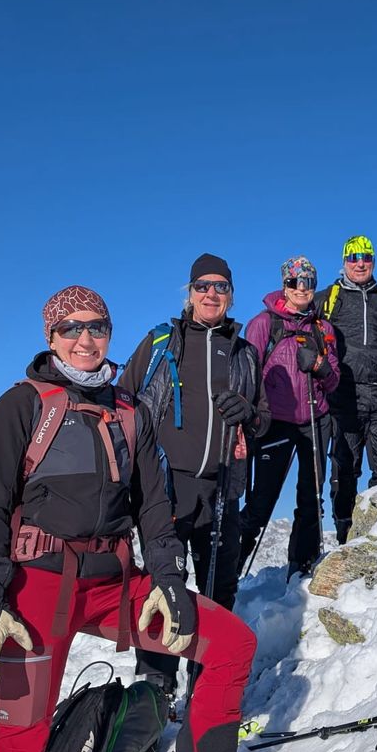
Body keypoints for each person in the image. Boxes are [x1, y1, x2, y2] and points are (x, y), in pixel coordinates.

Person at [0, 285, 273, 752]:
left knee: (230, 643)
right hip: (36, 588)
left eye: (97, 326)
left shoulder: (130, 411)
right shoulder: (22, 405)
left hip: (115, 581)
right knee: (20, 733)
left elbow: (154, 504)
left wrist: (169, 579)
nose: (85, 339)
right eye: (71, 328)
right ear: (50, 337)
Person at [118, 253, 269, 699]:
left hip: (223, 487)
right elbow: (124, 403)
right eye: (203, 286)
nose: (211, 294)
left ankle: (206, 687)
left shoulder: (244, 353)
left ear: (231, 296)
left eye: (221, 287)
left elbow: (263, 419)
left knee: (219, 590)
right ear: (190, 293)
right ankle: (155, 689)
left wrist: (249, 415)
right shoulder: (162, 342)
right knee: (163, 586)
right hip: (167, 487)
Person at [237, 256, 340, 579]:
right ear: (285, 285)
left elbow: (334, 380)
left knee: (311, 499)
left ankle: (301, 568)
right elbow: (247, 372)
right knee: (261, 502)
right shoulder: (264, 324)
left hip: (315, 418)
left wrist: (319, 367)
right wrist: (250, 418)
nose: (301, 288)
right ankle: (231, 570)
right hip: (275, 421)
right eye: (295, 282)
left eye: (308, 283)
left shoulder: (323, 329)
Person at [319, 235, 377, 544]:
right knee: (344, 468)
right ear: (344, 262)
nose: (360, 263)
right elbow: (305, 327)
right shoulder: (329, 298)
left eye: (366, 257)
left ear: (373, 262)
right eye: (353, 257)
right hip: (343, 393)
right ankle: (345, 534)